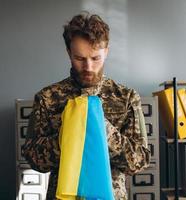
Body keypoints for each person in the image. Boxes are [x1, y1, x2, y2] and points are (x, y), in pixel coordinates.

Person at [21, 12, 150, 200]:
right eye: (80, 59)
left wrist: (102, 131)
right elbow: (33, 158)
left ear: (106, 51)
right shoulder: (48, 98)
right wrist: (69, 136)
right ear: (69, 53)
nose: (88, 67)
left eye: (95, 58)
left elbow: (140, 161)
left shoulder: (127, 98)